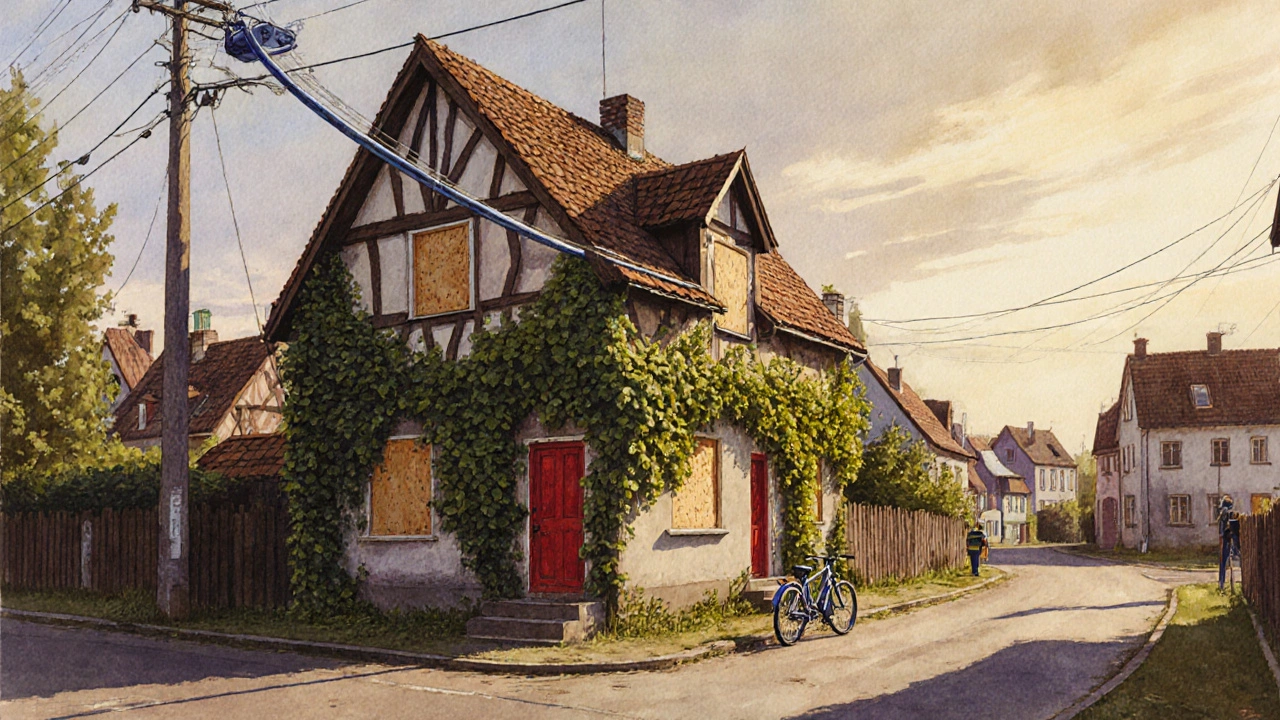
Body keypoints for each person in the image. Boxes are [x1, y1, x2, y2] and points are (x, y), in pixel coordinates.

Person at [1217, 495, 1240, 591]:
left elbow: (1221, 530)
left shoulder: (1223, 514)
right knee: (1232, 559)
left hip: (1226, 539)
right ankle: (1222, 583)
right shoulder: (1231, 514)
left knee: (1223, 562)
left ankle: (1221, 583)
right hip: (1231, 539)